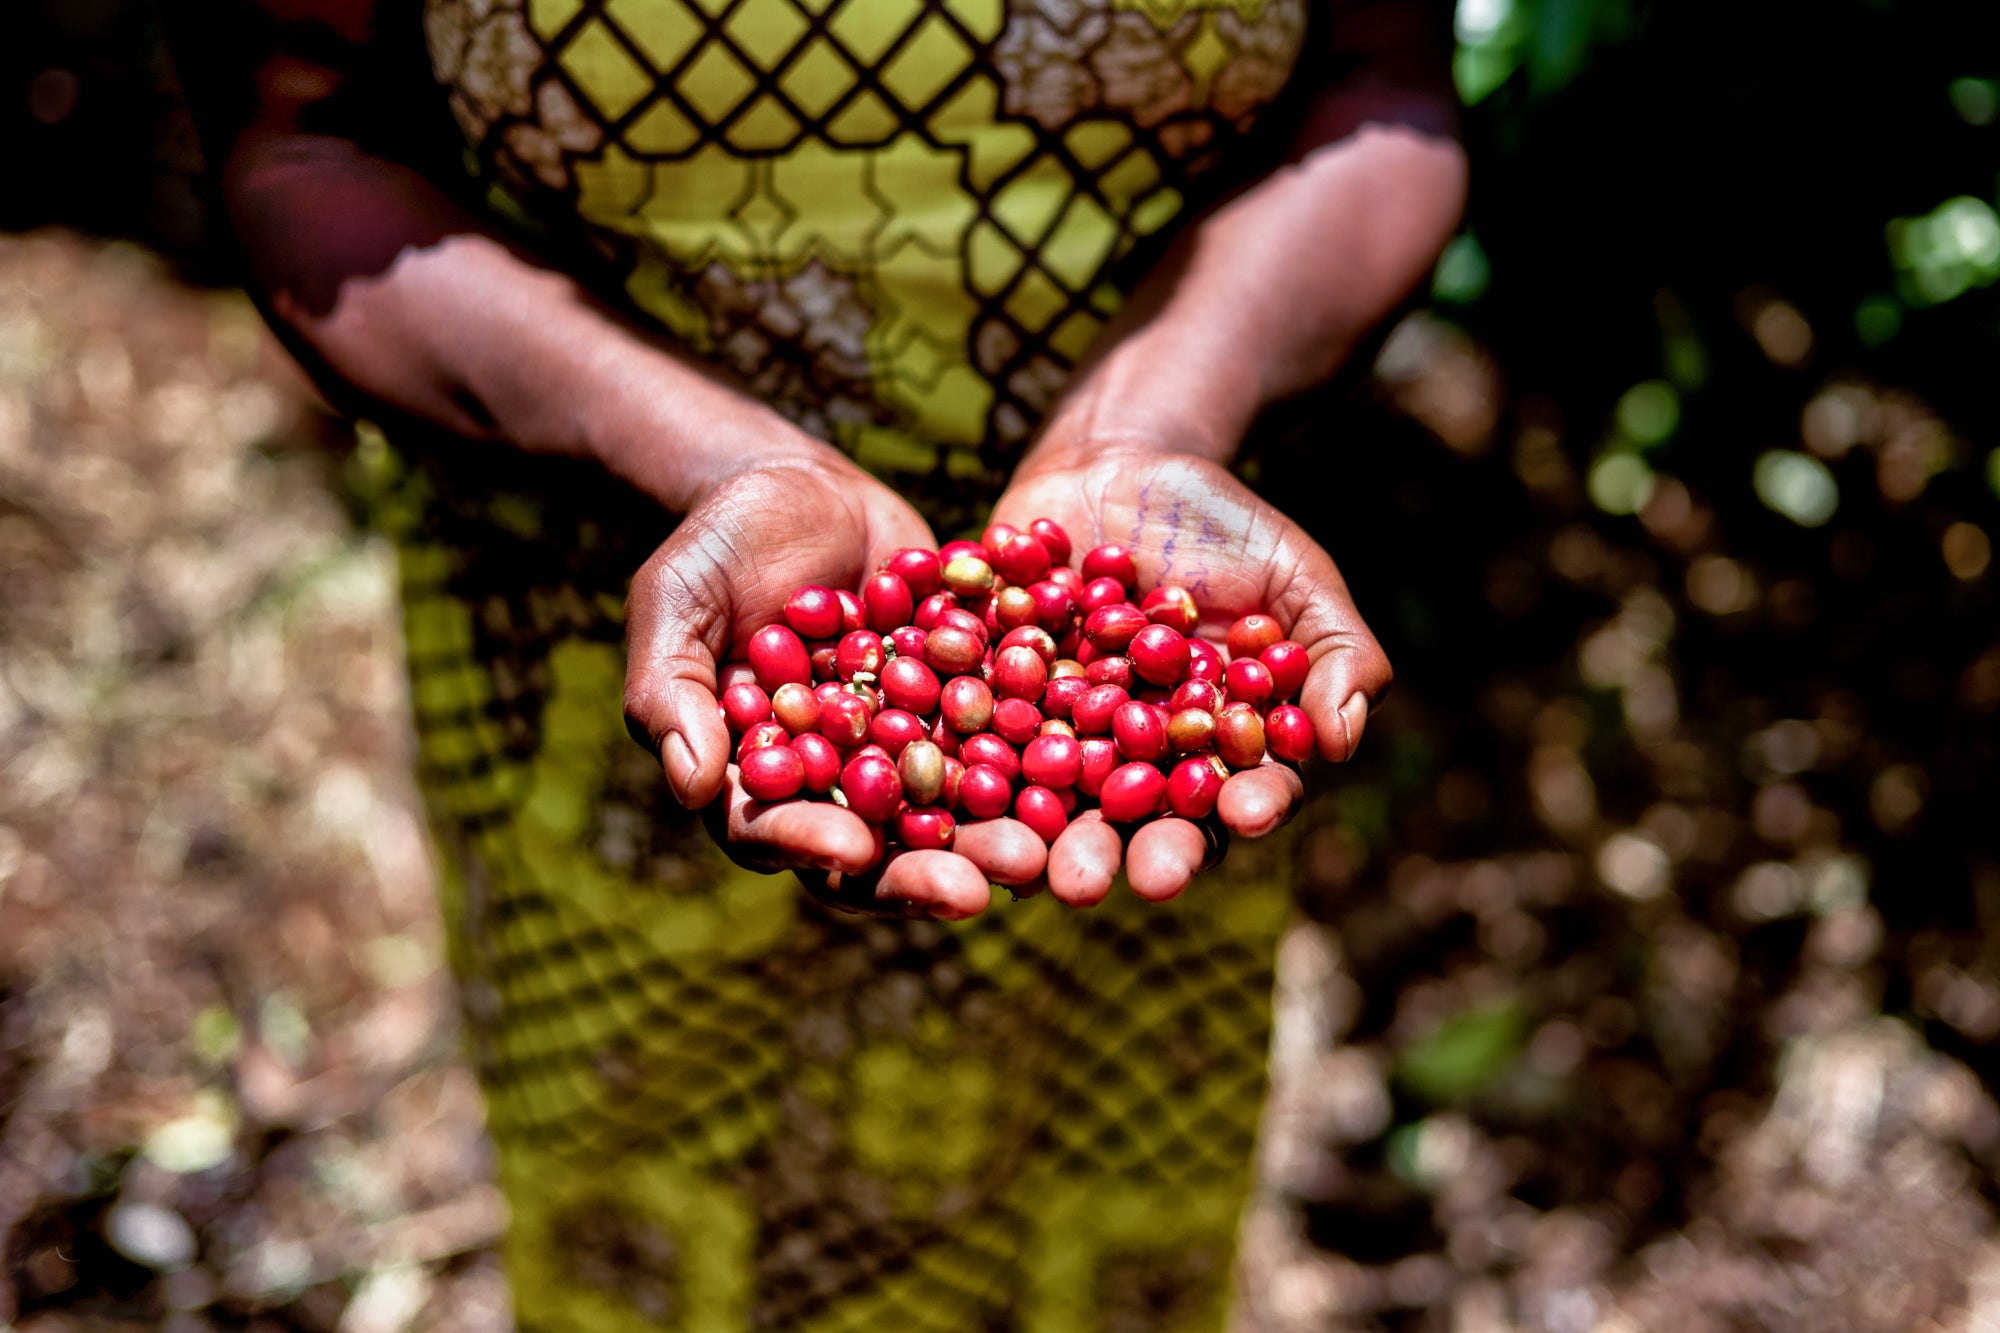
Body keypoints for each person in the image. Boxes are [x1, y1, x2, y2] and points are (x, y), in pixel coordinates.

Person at [164, 0, 1464, 1324]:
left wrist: (1155, 423)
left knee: (1098, 1213)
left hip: (1151, 613)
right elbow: (302, 145)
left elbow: (1384, 87)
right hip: (594, 646)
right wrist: (718, 462)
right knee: (653, 1233)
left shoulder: (1132, 677)